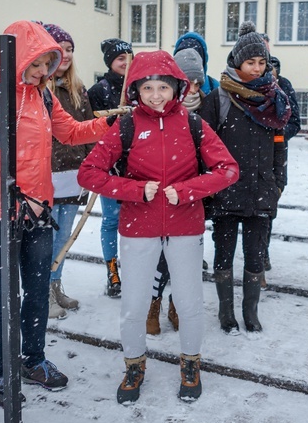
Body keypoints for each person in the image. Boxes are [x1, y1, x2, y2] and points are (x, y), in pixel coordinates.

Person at [0, 20, 113, 394]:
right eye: (38, 63)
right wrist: (13, 199)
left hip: (38, 214)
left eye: (49, 63)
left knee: (37, 290)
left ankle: (33, 360)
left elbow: (71, 132)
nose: (45, 71)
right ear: (17, 57)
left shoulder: (43, 96)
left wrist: (113, 123)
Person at [78, 50, 239, 403]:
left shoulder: (193, 123)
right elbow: (88, 173)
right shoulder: (127, 124)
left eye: (162, 87)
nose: (155, 95)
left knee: (189, 303)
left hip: (185, 227)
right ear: (136, 89)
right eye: (147, 87)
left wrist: (186, 191)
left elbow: (228, 169)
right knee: (134, 305)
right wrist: (135, 190)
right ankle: (134, 365)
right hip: (138, 228)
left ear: (176, 88)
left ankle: (191, 364)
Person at [198, 21, 291, 335]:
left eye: (261, 62)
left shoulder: (273, 98)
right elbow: (203, 146)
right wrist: (211, 184)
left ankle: (250, 312)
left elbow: (280, 143)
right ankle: (226, 312)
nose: (256, 68)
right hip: (226, 191)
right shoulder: (219, 98)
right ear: (237, 62)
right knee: (223, 253)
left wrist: (279, 182)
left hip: (262, 190)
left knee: (255, 255)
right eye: (250, 62)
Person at [145, 47, 209, 336]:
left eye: (198, 82)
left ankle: (175, 304)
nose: (193, 88)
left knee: (185, 262)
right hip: (159, 196)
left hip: (190, 195)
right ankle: (153, 303)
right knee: (159, 257)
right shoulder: (157, 109)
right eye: (188, 81)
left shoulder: (208, 108)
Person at [41, 22, 94, 320]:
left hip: (73, 174)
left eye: (71, 49)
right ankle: (43, 292)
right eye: (62, 48)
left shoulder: (77, 89)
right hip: (47, 175)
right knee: (46, 239)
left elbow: (86, 130)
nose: (67, 54)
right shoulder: (39, 89)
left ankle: (55, 285)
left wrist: (91, 165)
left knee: (64, 239)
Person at [87, 38, 134, 298]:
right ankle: (112, 270)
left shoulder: (138, 87)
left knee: (135, 221)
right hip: (110, 166)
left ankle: (135, 267)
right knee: (111, 220)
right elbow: (90, 127)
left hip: (136, 165)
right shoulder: (99, 90)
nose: (126, 63)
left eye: (129, 58)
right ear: (110, 62)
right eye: (120, 59)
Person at [260, 54, 301, 288]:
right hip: (254, 153)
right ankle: (256, 253)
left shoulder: (284, 87)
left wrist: (278, 137)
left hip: (276, 154)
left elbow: (294, 120)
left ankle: (263, 251)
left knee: (269, 204)